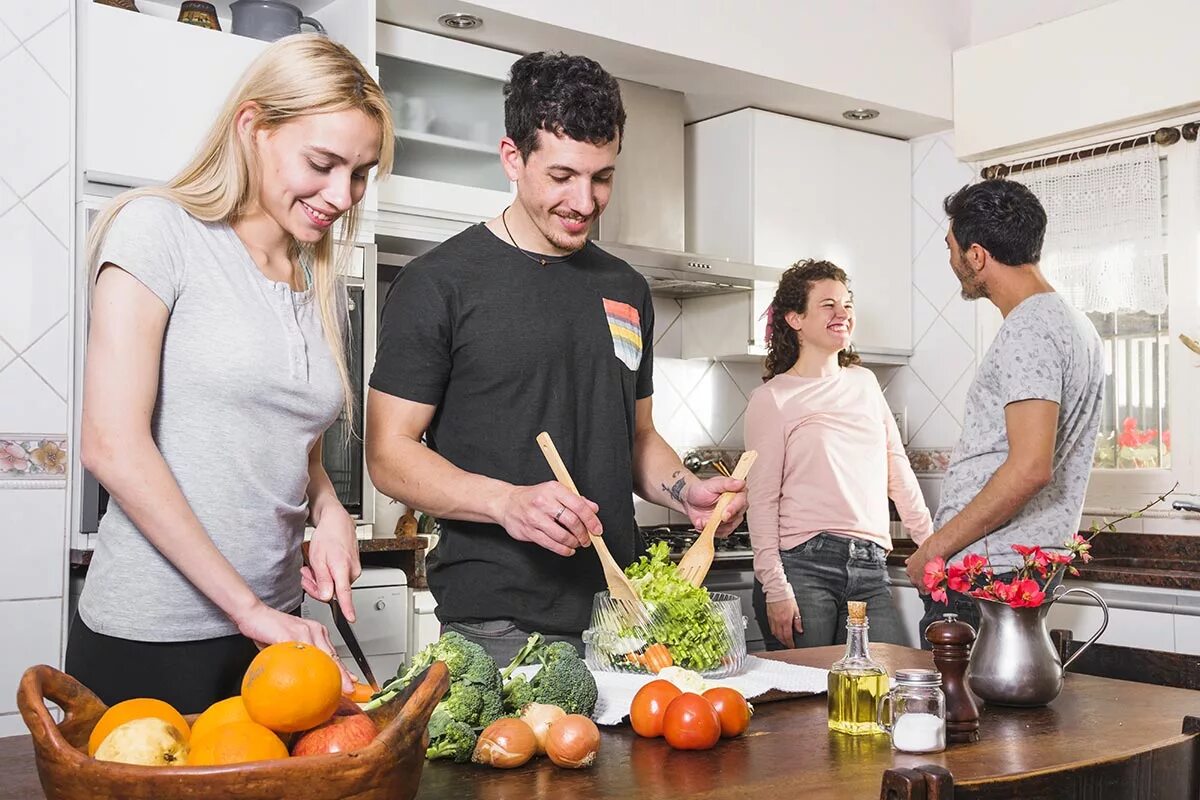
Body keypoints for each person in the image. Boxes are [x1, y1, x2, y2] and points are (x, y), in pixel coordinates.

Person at [366, 51, 748, 665]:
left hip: (621, 618)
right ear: (513, 158)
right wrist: (506, 502)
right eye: (563, 175)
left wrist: (686, 490)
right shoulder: (438, 283)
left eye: (602, 177)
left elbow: (637, 436)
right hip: (496, 624)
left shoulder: (626, 289)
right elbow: (388, 455)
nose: (585, 200)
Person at [66, 35, 395, 712]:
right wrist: (246, 609)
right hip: (155, 634)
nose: (341, 194)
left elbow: (289, 440)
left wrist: (329, 514)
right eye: (323, 163)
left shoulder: (316, 275)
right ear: (254, 128)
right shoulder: (158, 231)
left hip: (275, 631)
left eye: (359, 173)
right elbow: (110, 443)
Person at [904, 179, 1104, 641]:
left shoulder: (1029, 329)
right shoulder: (1075, 324)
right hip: (1021, 562)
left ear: (976, 255)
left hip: (987, 567)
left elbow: (1030, 467)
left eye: (952, 247)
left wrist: (934, 549)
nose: (952, 261)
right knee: (1001, 708)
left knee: (957, 711)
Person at [745, 260, 933, 649]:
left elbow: (896, 469)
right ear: (795, 318)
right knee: (808, 703)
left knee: (886, 685)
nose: (843, 313)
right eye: (828, 304)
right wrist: (775, 586)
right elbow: (760, 502)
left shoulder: (864, 383)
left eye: (847, 304)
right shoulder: (773, 399)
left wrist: (931, 545)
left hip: (870, 567)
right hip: (803, 568)